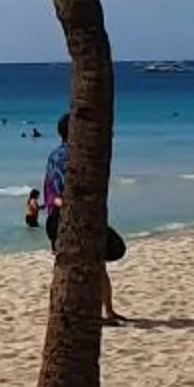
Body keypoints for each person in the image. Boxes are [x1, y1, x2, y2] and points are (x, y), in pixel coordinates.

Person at [42, 115, 124, 325]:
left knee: (72, 267)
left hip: (57, 218)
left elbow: (52, 191)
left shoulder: (55, 155)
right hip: (70, 216)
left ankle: (100, 311)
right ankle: (105, 312)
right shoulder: (75, 155)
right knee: (94, 265)